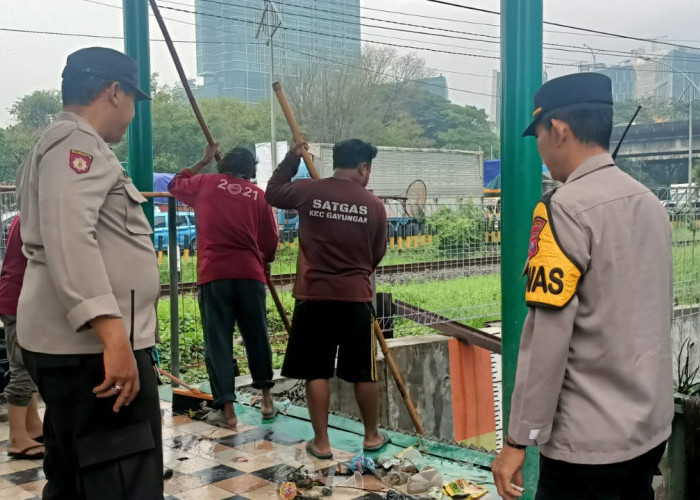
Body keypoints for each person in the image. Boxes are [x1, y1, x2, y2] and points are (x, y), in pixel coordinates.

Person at [490, 73, 673, 500]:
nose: (539, 147)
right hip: (649, 431)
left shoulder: (563, 210)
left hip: (588, 448)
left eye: (537, 134)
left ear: (558, 128)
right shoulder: (650, 204)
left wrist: (518, 440)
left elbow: (546, 341)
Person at [16, 47, 163, 499]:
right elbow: (70, 238)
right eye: (135, 99)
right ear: (115, 92)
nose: (133, 113)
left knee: (77, 474)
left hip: (83, 346)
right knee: (119, 477)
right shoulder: (75, 145)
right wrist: (114, 338)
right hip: (93, 350)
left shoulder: (65, 143)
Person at [265, 139, 389, 459]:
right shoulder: (374, 205)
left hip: (313, 296)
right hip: (356, 299)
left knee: (316, 371)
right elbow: (377, 254)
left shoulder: (310, 190)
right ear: (363, 168)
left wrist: (292, 160)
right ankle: (372, 436)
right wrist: (357, 272)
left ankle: (321, 443)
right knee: (364, 371)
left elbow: (273, 191)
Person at [168, 144, 279, 427]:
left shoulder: (205, 183)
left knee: (218, 340)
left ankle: (228, 412)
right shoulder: (258, 195)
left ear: (222, 164)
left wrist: (201, 160)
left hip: (215, 274)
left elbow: (175, 184)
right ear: (250, 171)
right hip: (250, 274)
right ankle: (267, 401)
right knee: (257, 335)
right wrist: (265, 261)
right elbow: (270, 240)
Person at [0, 216, 44, 460]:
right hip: (20, 302)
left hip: (16, 299)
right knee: (22, 369)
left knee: (28, 364)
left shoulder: (22, 217)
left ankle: (33, 425)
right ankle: (17, 438)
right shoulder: (32, 218)